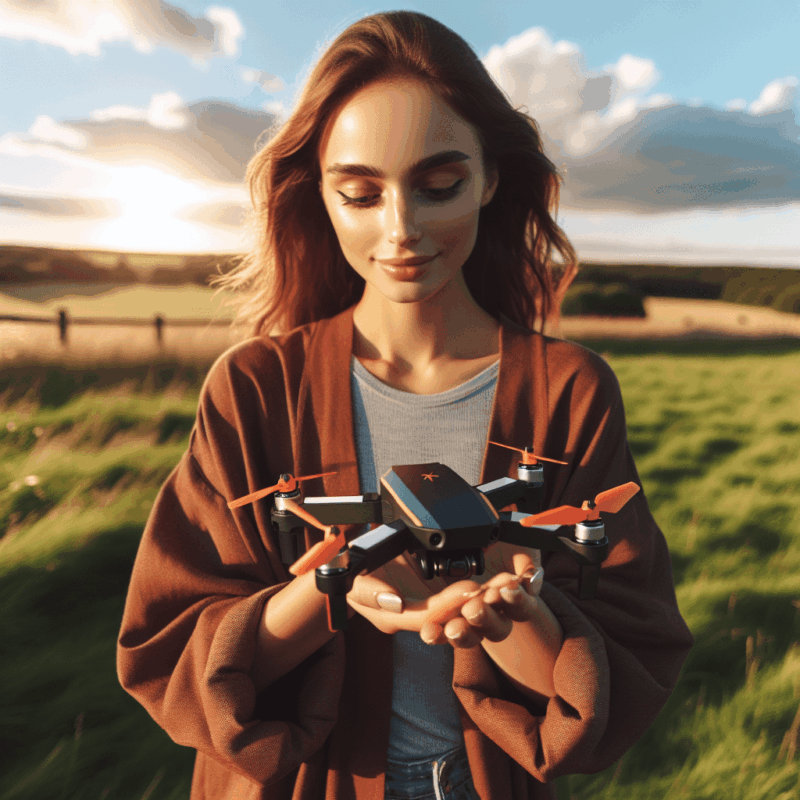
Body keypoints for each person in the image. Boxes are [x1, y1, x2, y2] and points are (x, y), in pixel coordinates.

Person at [117, 11, 694, 800]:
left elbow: (627, 652)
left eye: (438, 186)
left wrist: (513, 612)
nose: (400, 230)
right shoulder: (254, 389)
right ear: (318, 193)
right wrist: (326, 592)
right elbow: (166, 645)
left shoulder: (570, 389)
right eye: (359, 193)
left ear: (492, 176)